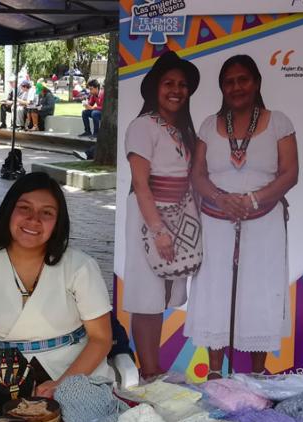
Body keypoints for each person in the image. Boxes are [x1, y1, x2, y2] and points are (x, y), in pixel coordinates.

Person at [185, 54, 298, 378]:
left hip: (264, 223)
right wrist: (223, 199)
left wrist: (251, 199)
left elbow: (290, 174)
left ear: (257, 83)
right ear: (222, 87)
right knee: (215, 291)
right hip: (216, 222)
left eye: (243, 79)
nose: (236, 87)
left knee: (260, 292)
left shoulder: (279, 122)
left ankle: (257, 376)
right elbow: (198, 175)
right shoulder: (210, 124)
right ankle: (216, 374)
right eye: (229, 81)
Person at [0, 172, 113, 398]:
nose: (33, 219)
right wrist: (2, 383)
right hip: (0, 377)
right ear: (9, 210)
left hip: (77, 374)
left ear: (58, 222)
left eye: (46, 213)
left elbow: (101, 339)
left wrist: (63, 384)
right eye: (24, 208)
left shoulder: (80, 266)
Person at [122, 51, 200, 379]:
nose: (176, 90)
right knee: (146, 295)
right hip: (149, 214)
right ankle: (149, 370)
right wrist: (158, 230)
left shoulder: (180, 129)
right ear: (155, 87)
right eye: (169, 82)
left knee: (164, 292)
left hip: (178, 214)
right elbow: (141, 184)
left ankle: (154, 367)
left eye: (182, 84)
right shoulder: (143, 126)